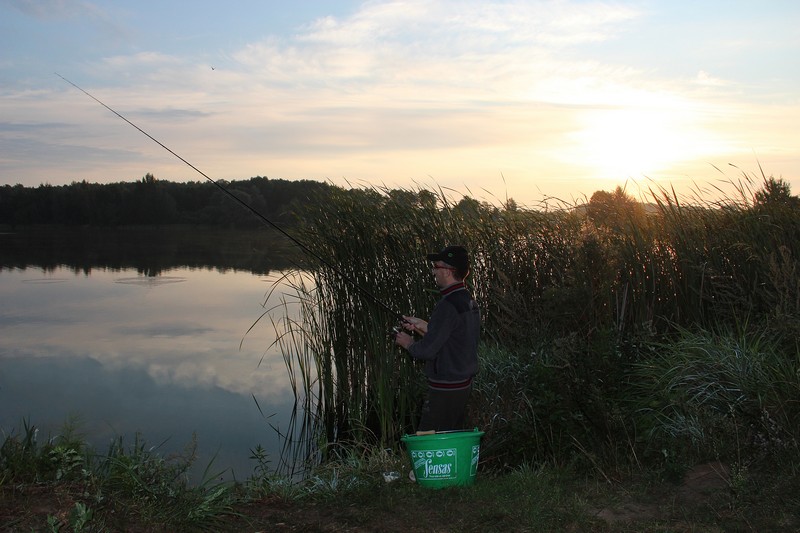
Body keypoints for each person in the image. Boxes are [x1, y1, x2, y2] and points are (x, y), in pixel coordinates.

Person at [394, 245, 480, 432]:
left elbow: (427, 351)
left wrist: (408, 343)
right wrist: (423, 325)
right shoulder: (467, 299)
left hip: (445, 388)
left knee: (427, 438)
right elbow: (454, 338)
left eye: (436, 267)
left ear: (448, 271)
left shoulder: (447, 305)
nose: (433, 271)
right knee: (450, 435)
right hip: (461, 385)